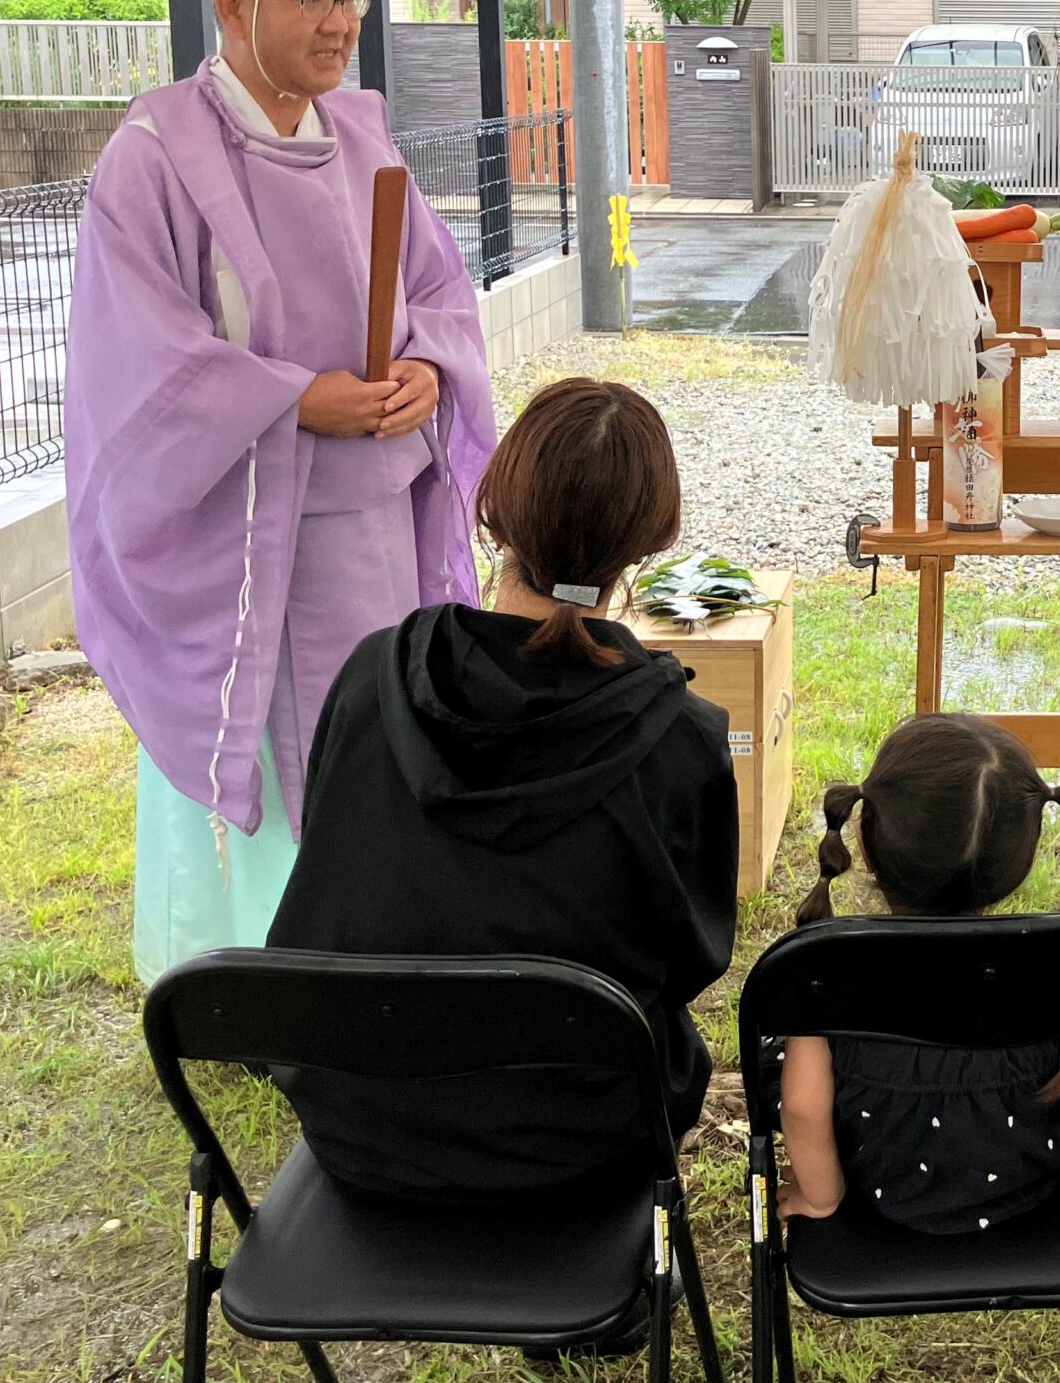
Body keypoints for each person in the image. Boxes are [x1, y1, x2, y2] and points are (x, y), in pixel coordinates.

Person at [66, 0, 496, 983]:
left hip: (374, 528)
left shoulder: (361, 132)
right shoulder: (153, 157)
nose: (337, 22)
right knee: (261, 754)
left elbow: (437, 288)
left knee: (378, 740)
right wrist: (293, 399)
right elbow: (137, 362)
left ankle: (372, 952)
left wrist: (432, 372)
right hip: (244, 539)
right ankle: (251, 978)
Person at [265, 377, 738, 1203]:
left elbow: (336, 863)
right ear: (650, 539)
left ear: (495, 510)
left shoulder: (376, 674)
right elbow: (690, 958)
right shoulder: (682, 735)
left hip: (362, 1128)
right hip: (583, 1145)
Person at [777, 714, 1060, 1234]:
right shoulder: (1054, 977)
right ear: (1023, 857)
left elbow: (801, 1107)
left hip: (881, 1184)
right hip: (1033, 1191)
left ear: (863, 842)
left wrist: (820, 1199)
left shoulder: (826, 975)